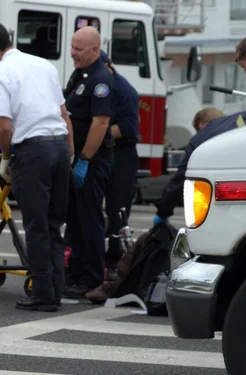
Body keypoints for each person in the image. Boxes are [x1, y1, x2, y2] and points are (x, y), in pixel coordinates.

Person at [0, 22, 74, 312]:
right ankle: (56, 290)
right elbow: (63, 113)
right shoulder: (44, 65)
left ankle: (43, 294)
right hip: (58, 145)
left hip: (33, 151)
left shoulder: (0, 74)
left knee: (36, 225)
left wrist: (6, 158)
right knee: (54, 225)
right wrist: (68, 150)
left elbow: (4, 126)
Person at [62, 27, 116, 299]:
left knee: (89, 219)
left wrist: (84, 160)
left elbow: (101, 122)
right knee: (74, 220)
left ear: (95, 50)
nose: (73, 53)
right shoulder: (80, 74)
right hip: (76, 158)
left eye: (79, 49)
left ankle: (93, 277)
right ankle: (75, 273)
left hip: (92, 161)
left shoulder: (101, 80)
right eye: (72, 47)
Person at [99, 50, 140, 280]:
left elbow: (126, 127)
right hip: (103, 152)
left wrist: (95, 133)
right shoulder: (90, 81)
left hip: (122, 153)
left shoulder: (124, 90)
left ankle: (115, 260)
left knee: (118, 209)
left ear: (107, 66)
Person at [153, 107, 229, 225]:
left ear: (201, 125)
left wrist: (163, 212)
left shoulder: (200, 140)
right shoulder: (241, 129)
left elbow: (180, 179)